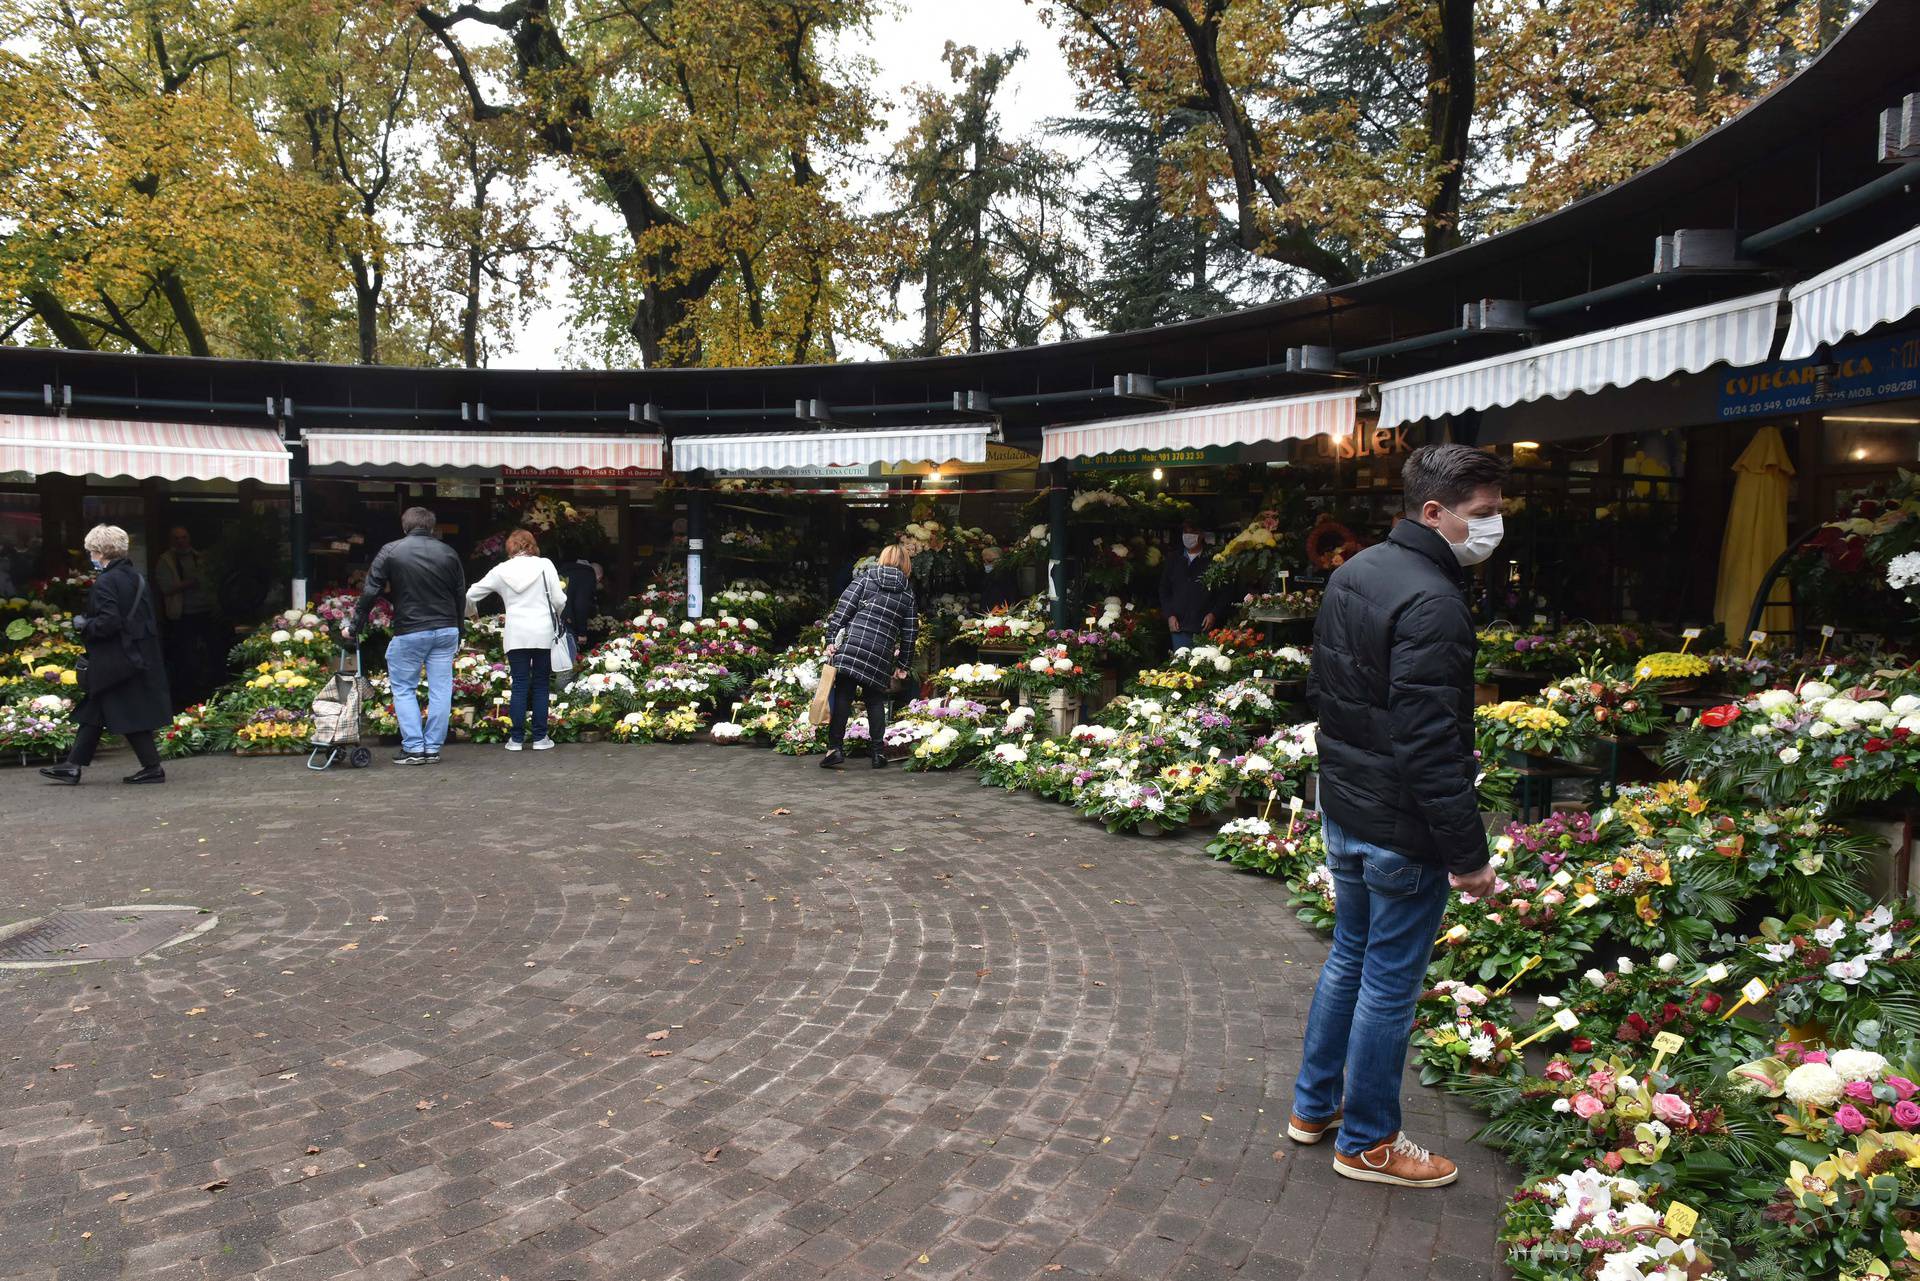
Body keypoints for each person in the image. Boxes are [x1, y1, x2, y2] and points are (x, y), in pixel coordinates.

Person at [1290, 443, 1507, 1188]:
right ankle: (1370, 1140)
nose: (1495, 526)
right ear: (1434, 511)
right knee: (1387, 979)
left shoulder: (1357, 571)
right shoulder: (1435, 600)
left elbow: (1326, 689)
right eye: (1483, 514)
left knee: (1350, 954)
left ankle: (1315, 1107)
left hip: (1348, 808)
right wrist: (1469, 854)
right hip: (1399, 825)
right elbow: (1430, 742)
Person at [40, 524, 171, 785]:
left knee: (116, 706)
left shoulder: (106, 582)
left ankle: (150, 767)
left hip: (116, 658)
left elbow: (109, 622)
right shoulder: (137, 577)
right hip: (136, 655)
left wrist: (84, 624)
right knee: (99, 706)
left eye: (91, 551)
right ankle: (73, 766)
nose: (90, 555)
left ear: (100, 552)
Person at [345, 507, 465, 766]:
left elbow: (370, 591)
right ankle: (432, 748)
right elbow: (459, 594)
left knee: (404, 688)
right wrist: (460, 629)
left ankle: (413, 748)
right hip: (446, 629)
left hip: (411, 629)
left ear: (405, 526)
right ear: (432, 528)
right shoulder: (449, 552)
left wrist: (355, 626)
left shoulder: (391, 550)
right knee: (441, 689)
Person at [820, 544, 918, 770]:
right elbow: (910, 632)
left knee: (844, 695)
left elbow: (843, 609)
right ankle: (877, 754)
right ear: (906, 564)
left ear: (883, 558)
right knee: (875, 700)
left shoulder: (866, 579)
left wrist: (831, 639)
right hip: (880, 653)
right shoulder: (907, 593)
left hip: (853, 646)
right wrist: (903, 663)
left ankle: (835, 749)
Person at [467, 530, 566, 751]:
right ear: (532, 545)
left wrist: (472, 614)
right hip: (542, 631)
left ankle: (516, 739)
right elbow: (559, 598)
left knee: (520, 684)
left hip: (516, 633)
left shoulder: (501, 570)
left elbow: (470, 594)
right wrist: (555, 612)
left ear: (510, 547)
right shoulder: (545, 565)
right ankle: (540, 738)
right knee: (541, 683)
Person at [154, 525, 214, 700]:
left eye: (184, 537)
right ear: (171, 541)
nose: (181, 541)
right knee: (184, 656)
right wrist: (189, 583)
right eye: (177, 538)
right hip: (181, 614)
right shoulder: (165, 561)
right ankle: (185, 694)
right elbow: (165, 588)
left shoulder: (199, 558)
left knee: (206, 654)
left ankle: (206, 689)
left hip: (204, 611)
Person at [1159, 520, 1218, 652]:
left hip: (1205, 626)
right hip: (1180, 626)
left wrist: (1214, 613)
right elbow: (1164, 590)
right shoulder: (1174, 559)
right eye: (1186, 532)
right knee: (1181, 667)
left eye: (1193, 532)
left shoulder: (1213, 559)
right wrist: (1170, 615)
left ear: (1201, 534)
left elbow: (1224, 593)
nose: (1189, 535)